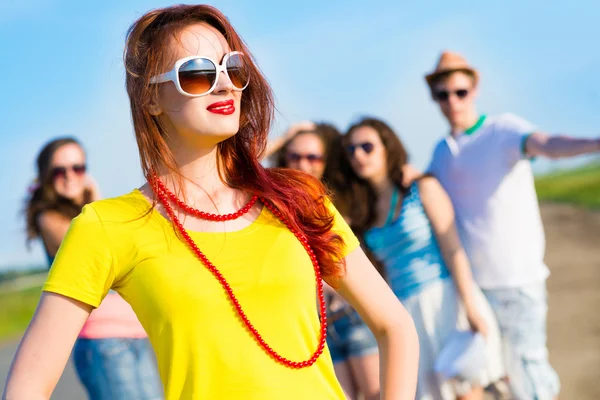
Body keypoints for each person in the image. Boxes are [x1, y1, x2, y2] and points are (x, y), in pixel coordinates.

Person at [3, 5, 419, 400]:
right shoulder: (107, 226)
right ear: (151, 98)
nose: (224, 84)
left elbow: (395, 326)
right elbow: (27, 385)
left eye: (232, 68)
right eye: (197, 73)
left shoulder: (299, 198)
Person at [424, 50, 600, 400]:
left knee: (529, 374)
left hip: (517, 281)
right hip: (474, 291)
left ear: (474, 89)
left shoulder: (502, 130)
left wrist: (595, 143)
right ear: (434, 98)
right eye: (443, 94)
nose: (452, 101)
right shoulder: (441, 153)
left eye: (460, 92)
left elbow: (548, 144)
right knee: (497, 379)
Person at [341, 117, 505, 400]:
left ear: (387, 147)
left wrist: (469, 306)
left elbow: (453, 248)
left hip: (444, 301)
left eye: (367, 146)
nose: (358, 155)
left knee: (466, 391)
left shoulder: (422, 188)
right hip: (405, 312)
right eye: (351, 149)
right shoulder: (361, 211)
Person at [22, 137, 162, 400]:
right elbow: (95, 250)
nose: (70, 176)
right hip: (102, 341)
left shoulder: (87, 215)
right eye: (59, 171)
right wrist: (96, 198)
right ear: (45, 177)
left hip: (132, 333)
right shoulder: (49, 219)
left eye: (78, 168)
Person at [269, 121, 381, 399]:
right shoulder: (276, 204)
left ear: (325, 161)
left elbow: (384, 168)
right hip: (321, 324)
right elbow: (241, 169)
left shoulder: (339, 198)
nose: (303, 164)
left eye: (312, 157)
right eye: (294, 156)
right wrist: (284, 137)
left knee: (375, 394)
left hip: (354, 314)